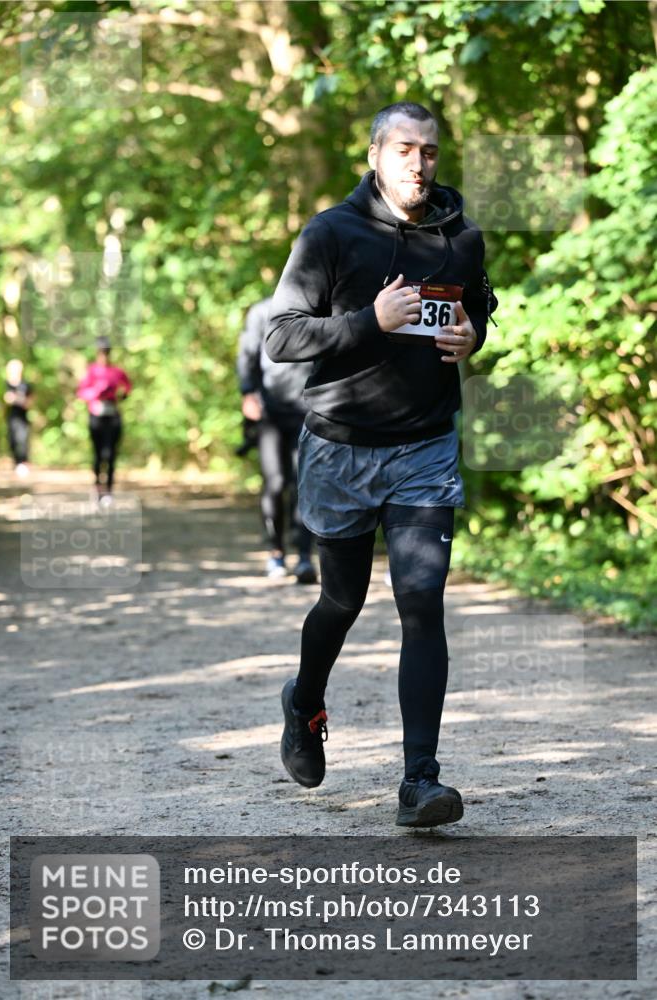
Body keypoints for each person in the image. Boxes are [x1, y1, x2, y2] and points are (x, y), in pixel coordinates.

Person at [267, 102, 497, 827]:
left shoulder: (461, 237)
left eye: (428, 151)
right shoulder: (331, 234)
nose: (417, 164)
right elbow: (281, 336)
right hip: (339, 446)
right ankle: (304, 704)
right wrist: (371, 322)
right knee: (341, 600)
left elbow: (475, 312)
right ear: (375, 154)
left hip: (424, 446)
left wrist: (471, 339)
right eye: (403, 149)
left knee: (421, 603)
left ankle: (419, 782)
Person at [237, 296, 317, 583]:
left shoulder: (317, 309)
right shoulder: (261, 311)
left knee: (303, 482)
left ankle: (305, 557)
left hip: (307, 411)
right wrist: (248, 392)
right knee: (275, 482)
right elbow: (247, 353)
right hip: (269, 411)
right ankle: (276, 553)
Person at [76, 337, 132, 502]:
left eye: (106, 352)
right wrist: (96, 392)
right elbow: (81, 393)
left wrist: (121, 395)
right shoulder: (91, 371)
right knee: (98, 455)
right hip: (96, 417)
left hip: (113, 416)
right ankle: (97, 487)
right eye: (101, 352)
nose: (104, 355)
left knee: (111, 454)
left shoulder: (117, 371)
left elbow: (127, 388)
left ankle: (108, 490)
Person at [4, 358, 33, 477]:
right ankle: (16, 463)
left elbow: (29, 402)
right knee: (12, 441)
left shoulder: (25, 385)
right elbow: (5, 399)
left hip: (22, 418)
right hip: (10, 417)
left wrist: (16, 399)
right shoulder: (5, 384)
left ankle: (22, 463)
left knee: (22, 439)